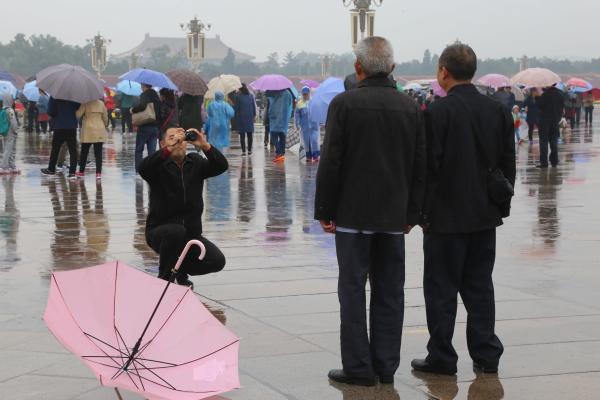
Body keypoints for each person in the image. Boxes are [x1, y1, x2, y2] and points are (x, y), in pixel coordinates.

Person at [315, 36, 426, 387]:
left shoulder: (345, 104)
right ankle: (385, 365)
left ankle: (358, 368)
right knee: (390, 291)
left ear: (358, 66)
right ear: (392, 67)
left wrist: (325, 208)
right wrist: (413, 213)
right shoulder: (410, 108)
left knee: (352, 290)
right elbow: (419, 166)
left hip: (352, 215)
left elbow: (331, 160)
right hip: (393, 216)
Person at [411, 43, 516, 376]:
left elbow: (429, 169)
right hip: (484, 215)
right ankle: (486, 354)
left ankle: (441, 356)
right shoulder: (497, 110)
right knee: (480, 287)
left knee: (441, 290)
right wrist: (499, 205)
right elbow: (507, 165)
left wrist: (421, 215)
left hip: (445, 218)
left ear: (444, 71)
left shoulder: (437, 112)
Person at [139, 126, 228, 288]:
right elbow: (143, 168)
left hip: (191, 235)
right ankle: (165, 281)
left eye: (180, 138)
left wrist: (204, 145)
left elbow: (221, 166)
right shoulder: (158, 165)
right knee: (175, 232)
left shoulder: (195, 162)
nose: (177, 141)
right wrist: (169, 148)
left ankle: (178, 270)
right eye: (171, 137)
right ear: (162, 143)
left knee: (217, 261)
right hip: (160, 232)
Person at [41, 97, 80, 178]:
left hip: (59, 125)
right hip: (71, 125)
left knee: (55, 149)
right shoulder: (74, 94)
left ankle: (51, 169)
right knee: (72, 150)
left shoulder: (55, 95)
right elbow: (78, 106)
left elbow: (50, 111)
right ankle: (72, 172)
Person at [132, 84, 161, 173]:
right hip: (155, 127)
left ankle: (138, 170)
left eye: (141, 85)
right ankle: (151, 170)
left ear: (144, 85)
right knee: (152, 151)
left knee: (139, 150)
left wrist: (133, 110)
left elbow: (142, 106)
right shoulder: (156, 96)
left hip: (145, 126)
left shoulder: (145, 95)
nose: (141, 87)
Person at [75, 99, 108, 179]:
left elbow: (77, 115)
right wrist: (105, 125)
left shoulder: (85, 103)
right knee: (98, 154)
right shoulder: (101, 104)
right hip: (99, 129)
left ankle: (81, 172)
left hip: (88, 130)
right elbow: (105, 118)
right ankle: (98, 174)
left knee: (84, 153)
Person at [536, 84, 564, 168]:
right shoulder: (560, 94)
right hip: (555, 120)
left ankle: (544, 162)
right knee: (553, 140)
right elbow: (562, 107)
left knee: (544, 141)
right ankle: (554, 161)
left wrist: (537, 97)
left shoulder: (545, 94)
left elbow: (539, 105)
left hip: (545, 120)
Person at [266, 88, 293, 162]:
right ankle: (282, 153)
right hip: (283, 119)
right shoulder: (288, 94)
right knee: (282, 135)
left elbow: (267, 95)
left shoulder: (273, 92)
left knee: (273, 136)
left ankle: (279, 152)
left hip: (275, 118)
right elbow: (290, 104)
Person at [295, 86, 321, 162]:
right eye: (304, 94)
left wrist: (320, 121)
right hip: (305, 126)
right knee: (307, 142)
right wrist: (297, 124)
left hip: (314, 126)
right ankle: (308, 156)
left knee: (314, 141)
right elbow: (297, 115)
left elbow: (318, 112)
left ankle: (316, 156)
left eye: (306, 94)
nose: (305, 95)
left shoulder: (314, 102)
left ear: (309, 93)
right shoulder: (299, 104)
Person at [0, 94, 20, 174]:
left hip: (5, 132)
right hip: (10, 132)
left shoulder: (3, 109)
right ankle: (4, 166)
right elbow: (13, 123)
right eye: (12, 99)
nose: (13, 101)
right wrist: (16, 131)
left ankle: (12, 166)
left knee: (9, 149)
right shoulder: (10, 110)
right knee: (9, 150)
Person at [235, 84, 256, 156]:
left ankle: (243, 151)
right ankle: (249, 151)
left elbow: (236, 108)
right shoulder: (251, 96)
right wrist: (254, 116)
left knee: (242, 136)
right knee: (250, 135)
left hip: (241, 118)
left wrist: (236, 118)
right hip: (249, 117)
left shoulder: (238, 97)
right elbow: (253, 107)